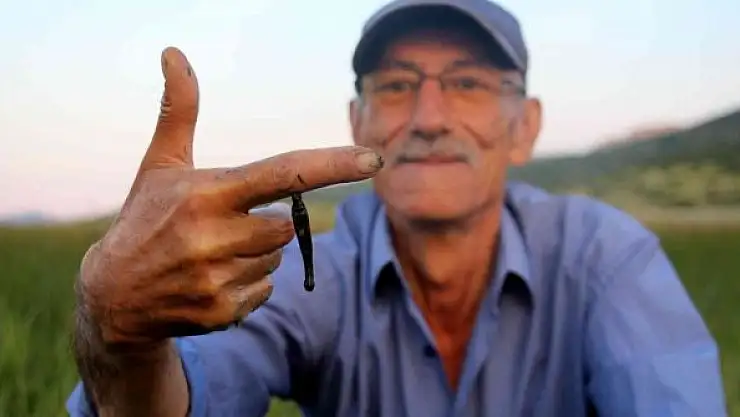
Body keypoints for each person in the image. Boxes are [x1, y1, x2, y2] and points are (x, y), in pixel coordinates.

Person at [65, 0, 728, 416]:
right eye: (396, 84)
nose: (429, 118)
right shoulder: (314, 273)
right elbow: (190, 389)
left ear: (524, 126)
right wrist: (123, 342)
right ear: (358, 122)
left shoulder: (606, 259)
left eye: (467, 82)